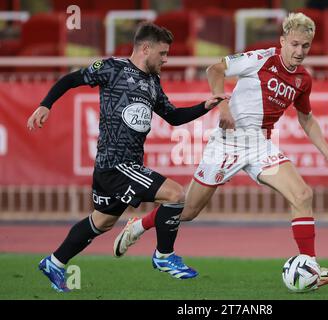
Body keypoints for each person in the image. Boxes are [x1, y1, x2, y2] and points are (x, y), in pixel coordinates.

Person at [114, 12, 328, 288]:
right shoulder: (260, 59)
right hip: (227, 142)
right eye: (294, 44)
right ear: (283, 41)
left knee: (302, 194)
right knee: (187, 212)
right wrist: (222, 105)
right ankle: (139, 226)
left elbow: (306, 118)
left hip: (260, 144)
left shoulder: (303, 79)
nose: (299, 51)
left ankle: (310, 266)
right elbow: (214, 69)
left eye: (305, 46)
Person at [27, 22, 228, 292]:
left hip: (120, 167)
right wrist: (45, 104)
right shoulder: (112, 68)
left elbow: (173, 117)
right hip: (117, 165)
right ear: (146, 48)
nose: (166, 59)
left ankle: (54, 262)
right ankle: (164, 256)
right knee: (176, 195)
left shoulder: (152, 82)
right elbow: (71, 79)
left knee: (103, 220)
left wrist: (204, 106)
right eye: (163, 53)